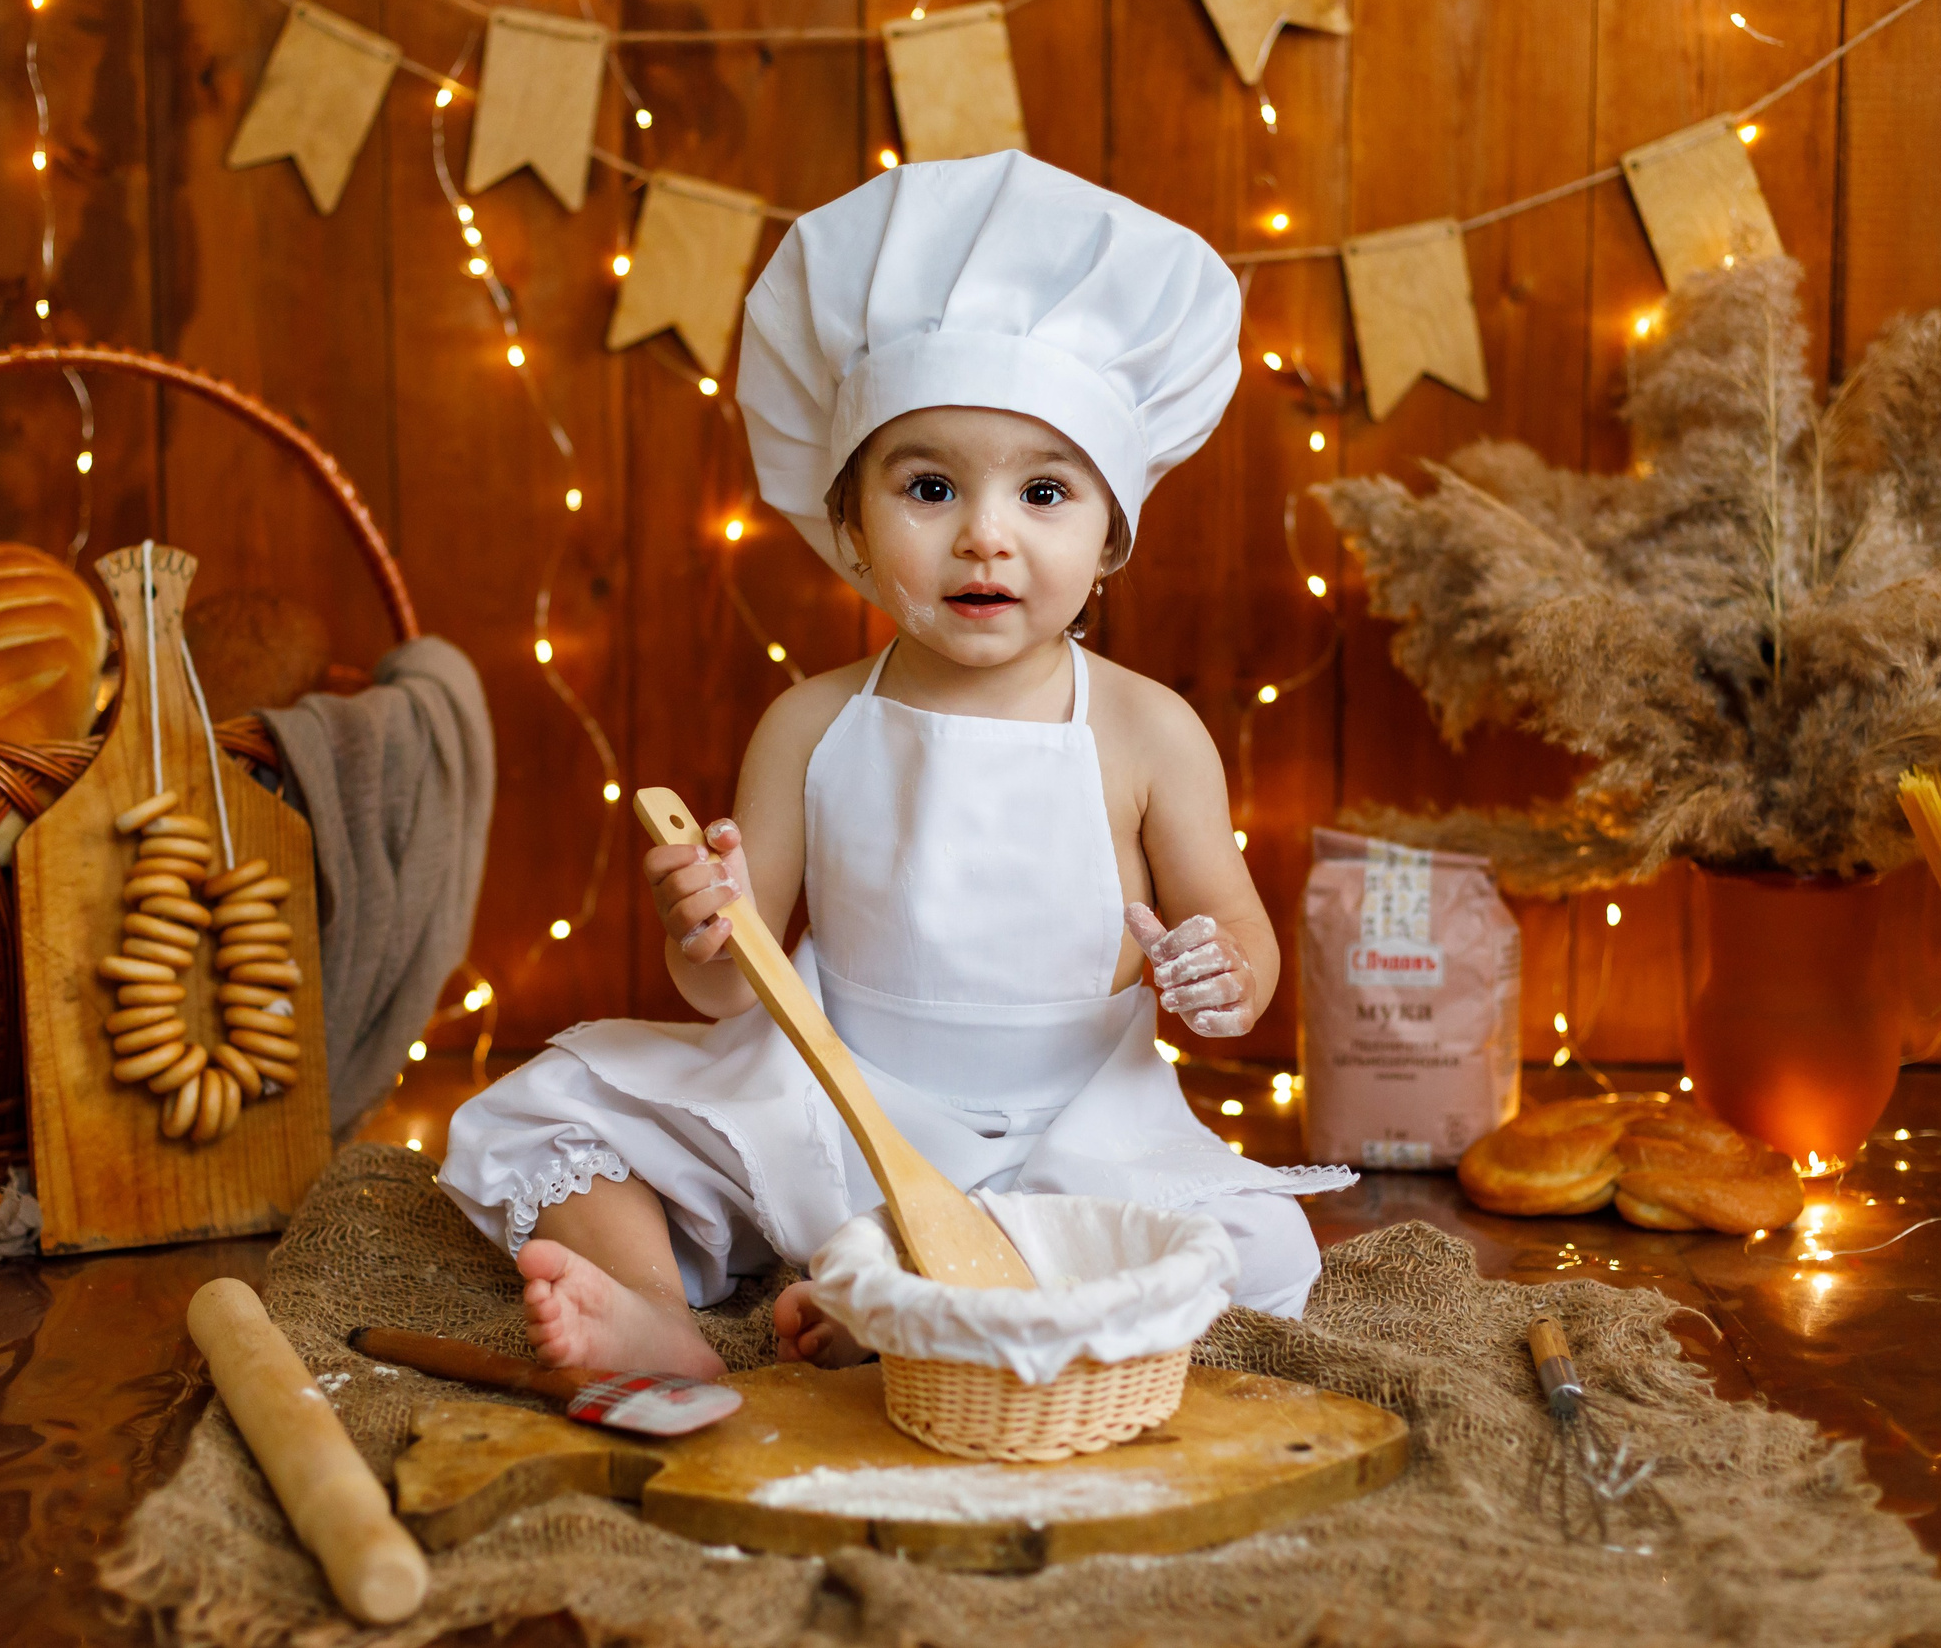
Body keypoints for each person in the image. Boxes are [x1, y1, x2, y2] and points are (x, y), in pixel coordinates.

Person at [440, 151, 1352, 1380]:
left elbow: (1240, 957)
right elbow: (729, 993)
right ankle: (654, 1310)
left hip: (1074, 1127)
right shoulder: (811, 725)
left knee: (1243, 1244)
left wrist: (1213, 976)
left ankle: (900, 1295)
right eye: (930, 486)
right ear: (855, 533)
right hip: (838, 1098)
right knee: (552, 1113)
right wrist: (703, 928)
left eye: (1043, 490)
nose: (986, 531)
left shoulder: (1145, 729)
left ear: (1109, 536)